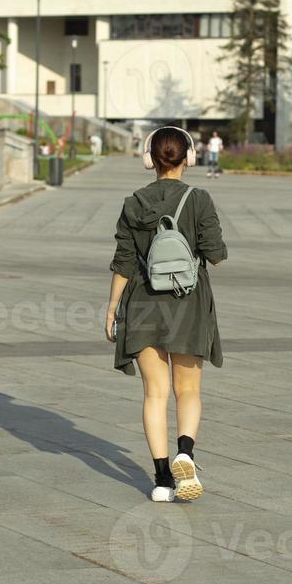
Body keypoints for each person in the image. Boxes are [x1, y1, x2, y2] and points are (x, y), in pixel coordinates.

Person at [106, 127, 227, 503]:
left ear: (150, 159)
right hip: (188, 304)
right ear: (189, 158)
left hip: (143, 305)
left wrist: (112, 308)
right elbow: (216, 254)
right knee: (187, 390)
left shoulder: (133, 203)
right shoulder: (199, 199)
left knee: (153, 395)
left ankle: (161, 481)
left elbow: (123, 263)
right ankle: (185, 453)